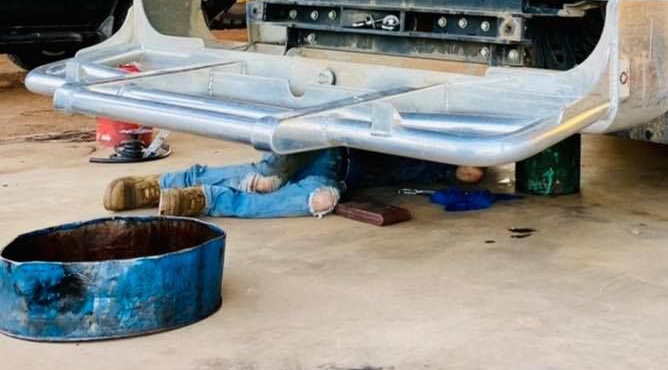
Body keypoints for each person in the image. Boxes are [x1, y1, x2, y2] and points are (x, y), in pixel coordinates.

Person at [104, 151, 486, 219]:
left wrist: (458, 170)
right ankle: (157, 185)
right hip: (324, 144)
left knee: (319, 199)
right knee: (263, 173)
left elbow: (471, 174)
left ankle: (202, 199)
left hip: (335, 176)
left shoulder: (432, 164)